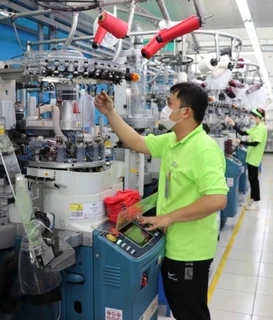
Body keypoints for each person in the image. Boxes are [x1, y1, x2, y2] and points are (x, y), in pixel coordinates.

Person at [95, 82, 228, 320]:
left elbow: (217, 199)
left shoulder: (204, 149)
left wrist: (167, 217)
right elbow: (136, 142)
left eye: (169, 104)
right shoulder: (172, 141)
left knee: (190, 312)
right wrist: (110, 113)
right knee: (181, 307)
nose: (164, 110)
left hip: (191, 250)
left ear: (186, 112)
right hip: (174, 242)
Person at [227, 107, 268, 210]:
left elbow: (255, 143)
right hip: (251, 157)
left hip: (255, 157)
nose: (252, 119)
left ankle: (256, 203)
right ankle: (251, 200)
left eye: (253, 117)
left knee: (254, 180)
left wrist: (241, 142)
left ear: (258, 117)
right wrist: (233, 125)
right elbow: (242, 133)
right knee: (251, 179)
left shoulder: (262, 128)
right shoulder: (256, 127)